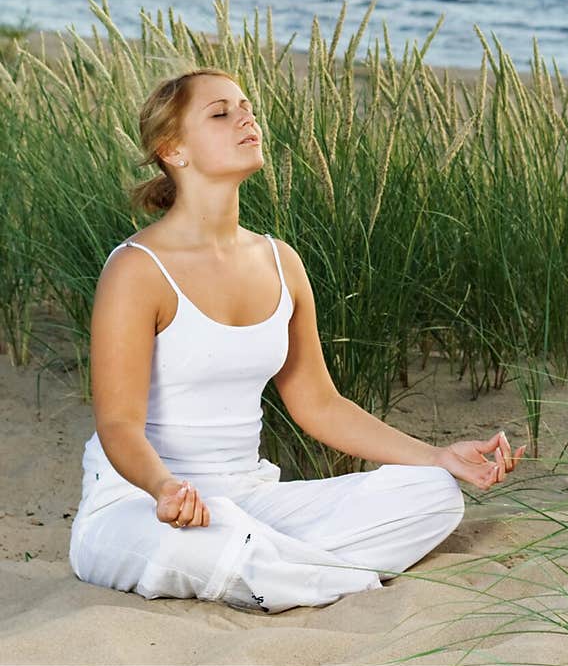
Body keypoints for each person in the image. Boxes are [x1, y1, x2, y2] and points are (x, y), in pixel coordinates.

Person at [69, 65, 525, 613]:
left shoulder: (281, 261)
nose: (246, 118)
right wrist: (165, 488)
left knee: (433, 496)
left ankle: (278, 565)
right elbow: (117, 424)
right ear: (174, 150)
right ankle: (288, 566)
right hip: (141, 505)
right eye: (221, 113)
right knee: (221, 543)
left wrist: (437, 457)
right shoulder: (137, 269)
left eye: (246, 107)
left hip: (252, 499)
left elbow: (320, 404)